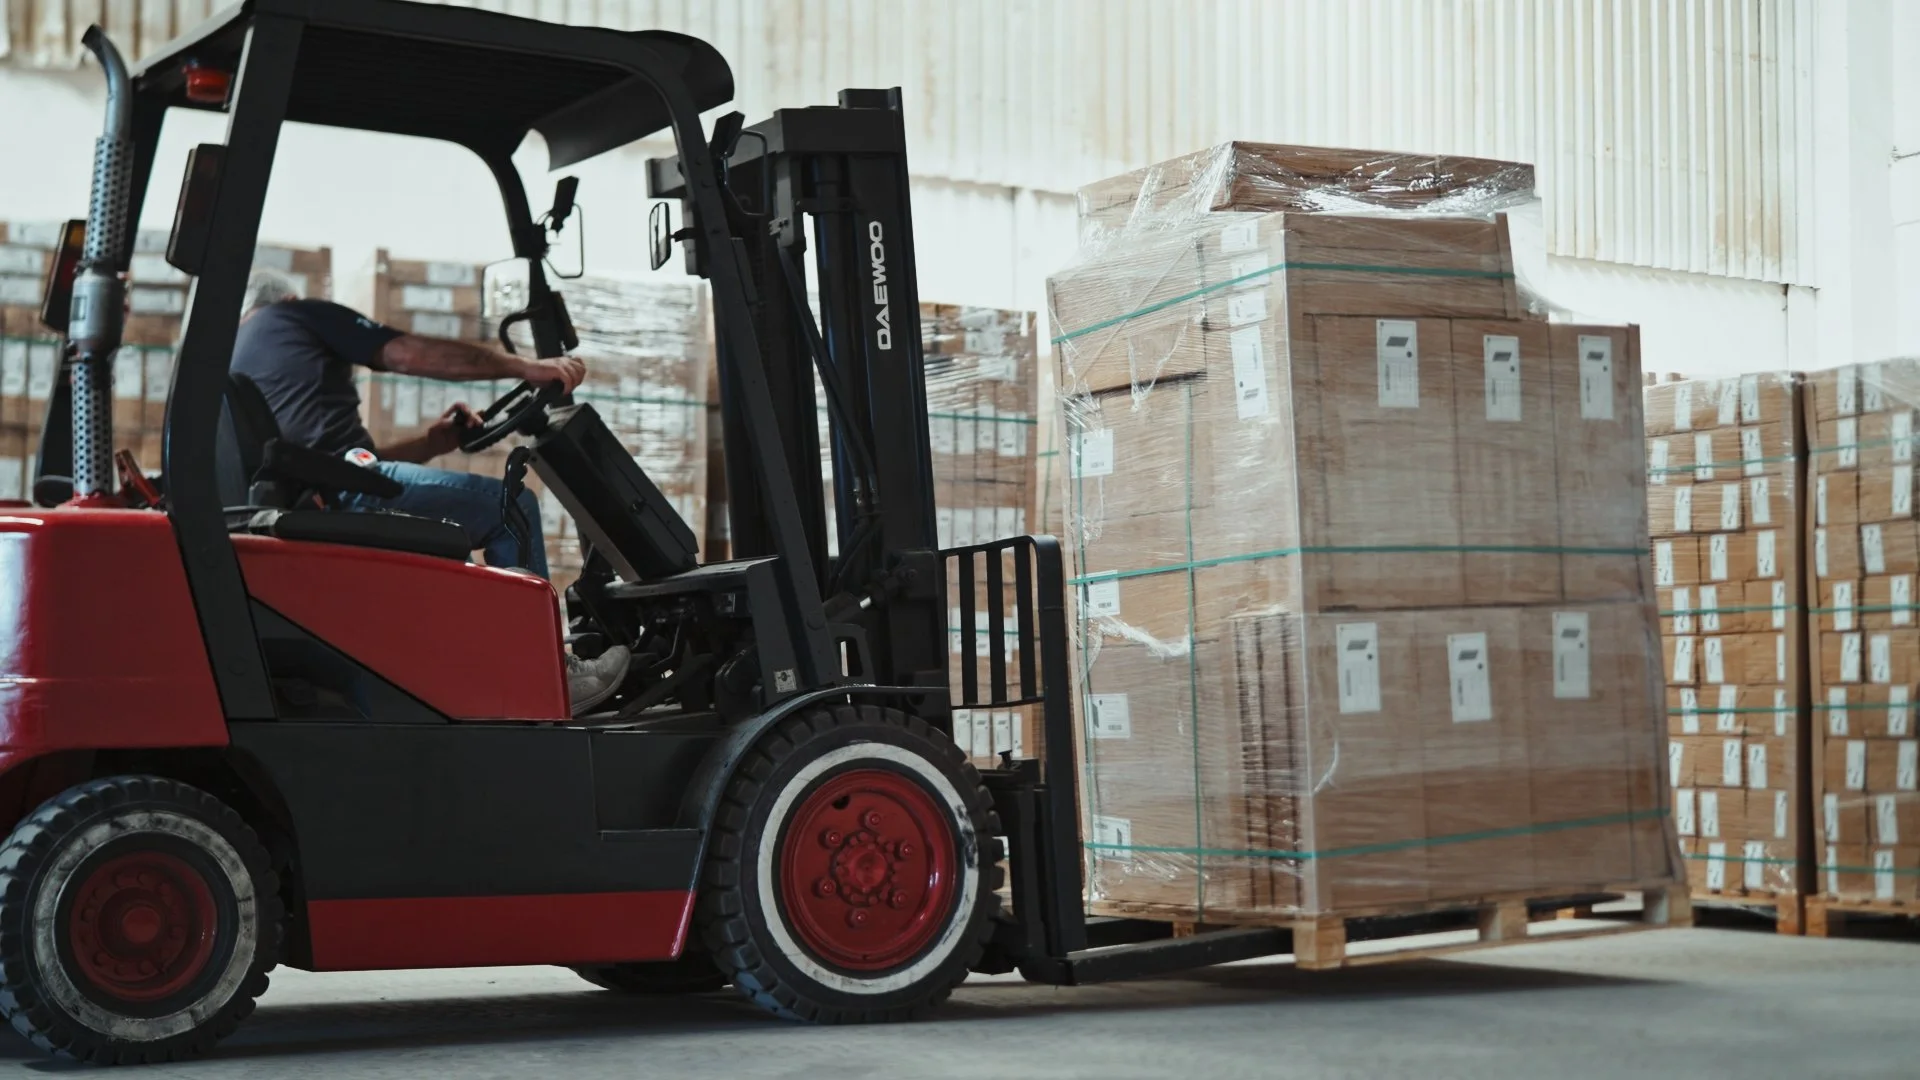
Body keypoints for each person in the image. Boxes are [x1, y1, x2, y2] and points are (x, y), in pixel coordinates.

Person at [231, 268, 630, 716]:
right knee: (511, 506)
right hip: (346, 492)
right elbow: (407, 354)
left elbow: (341, 461)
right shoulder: (298, 316)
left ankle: (495, 670)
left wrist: (434, 443)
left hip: (331, 489)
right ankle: (545, 676)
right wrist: (525, 368)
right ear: (286, 297)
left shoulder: (239, 350)